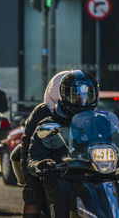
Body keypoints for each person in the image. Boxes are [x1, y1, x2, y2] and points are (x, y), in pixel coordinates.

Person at [27, 70, 119, 217]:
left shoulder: (102, 121)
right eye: (76, 94)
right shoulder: (49, 124)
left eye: (88, 93)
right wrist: (40, 164)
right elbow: (34, 155)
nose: (82, 98)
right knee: (60, 188)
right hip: (65, 175)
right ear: (64, 95)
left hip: (99, 174)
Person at [20, 71, 69, 218]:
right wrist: (31, 174)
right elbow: (28, 142)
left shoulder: (84, 111)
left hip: (76, 164)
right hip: (45, 164)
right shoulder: (43, 111)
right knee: (32, 198)